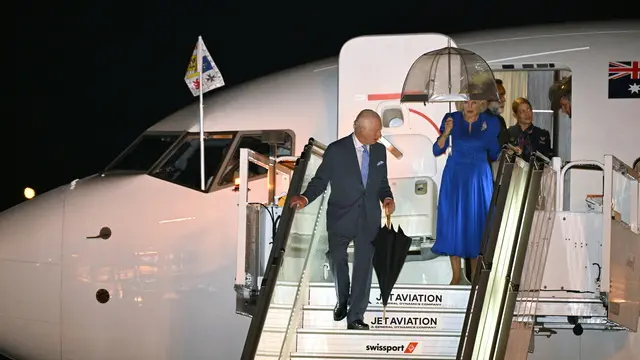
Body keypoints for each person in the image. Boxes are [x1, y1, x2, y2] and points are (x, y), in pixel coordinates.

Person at [289, 109, 395, 330]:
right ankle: (343, 297)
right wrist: (305, 197)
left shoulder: (380, 151)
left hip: (368, 218)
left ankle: (355, 316)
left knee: (363, 267)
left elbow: (382, 182)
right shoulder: (336, 151)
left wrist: (387, 197)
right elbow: (320, 180)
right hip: (340, 216)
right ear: (361, 129)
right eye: (376, 130)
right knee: (337, 258)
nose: (379, 134)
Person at [432, 99, 501, 285]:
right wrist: (446, 133)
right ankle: (456, 276)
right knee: (453, 223)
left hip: (479, 178)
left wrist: (492, 140)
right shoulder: (451, 118)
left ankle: (475, 277)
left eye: (475, 102)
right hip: (455, 177)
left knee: (477, 223)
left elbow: (494, 153)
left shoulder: (491, 122)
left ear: (481, 104)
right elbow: (436, 150)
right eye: (466, 102)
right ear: (460, 103)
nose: (470, 105)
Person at [507, 97, 554, 162]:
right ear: (515, 115)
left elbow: (546, 159)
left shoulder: (542, 134)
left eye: (528, 110)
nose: (527, 114)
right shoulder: (509, 132)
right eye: (522, 111)